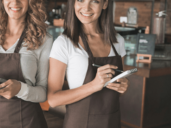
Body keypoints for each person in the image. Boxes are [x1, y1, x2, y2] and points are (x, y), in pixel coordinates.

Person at [47, 0, 129, 128]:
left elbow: (115, 92)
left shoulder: (118, 41)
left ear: (105, 4)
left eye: (94, 1)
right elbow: (53, 100)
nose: (86, 7)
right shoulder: (64, 43)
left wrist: (122, 87)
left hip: (111, 121)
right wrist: (94, 85)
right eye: (80, 0)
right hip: (79, 123)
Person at [0, 0, 53, 127]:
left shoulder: (43, 39)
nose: (15, 2)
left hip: (28, 122)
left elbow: (44, 93)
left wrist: (20, 89)